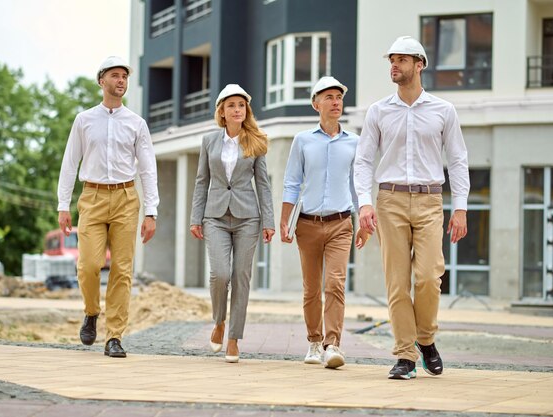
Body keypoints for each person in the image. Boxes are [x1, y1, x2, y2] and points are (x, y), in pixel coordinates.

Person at [354, 36, 470, 380]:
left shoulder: (443, 111)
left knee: (429, 277)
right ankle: (405, 355)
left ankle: (426, 338)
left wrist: (460, 207)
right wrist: (363, 203)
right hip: (389, 200)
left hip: (431, 200)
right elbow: (362, 161)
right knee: (396, 282)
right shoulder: (378, 111)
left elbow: (459, 160)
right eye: (392, 59)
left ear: (419, 65)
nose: (394, 65)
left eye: (402, 60)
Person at [57, 56, 159, 358]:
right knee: (88, 266)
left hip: (127, 199)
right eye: (115, 76)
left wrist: (151, 211)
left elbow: (148, 169)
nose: (121, 81)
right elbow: (69, 163)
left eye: (124, 76)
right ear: (102, 81)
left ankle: (114, 336)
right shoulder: (84, 120)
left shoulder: (136, 123)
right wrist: (63, 205)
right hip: (92, 197)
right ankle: (91, 311)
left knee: (122, 270)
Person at [189, 84, 275, 363]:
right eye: (231, 105)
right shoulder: (209, 141)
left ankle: (234, 339)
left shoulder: (256, 141)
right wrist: (195, 217)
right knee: (220, 275)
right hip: (214, 215)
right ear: (222, 112)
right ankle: (218, 321)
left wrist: (268, 220)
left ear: (246, 110)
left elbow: (263, 184)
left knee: (241, 277)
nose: (237, 109)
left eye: (241, 105)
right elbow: (202, 180)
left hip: (248, 217)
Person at [281, 76, 359, 369]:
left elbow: (358, 184)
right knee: (311, 288)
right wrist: (285, 220)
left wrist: (364, 216)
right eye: (329, 97)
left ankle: (332, 345)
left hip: (341, 224)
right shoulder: (302, 140)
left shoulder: (355, 142)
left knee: (335, 284)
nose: (335, 102)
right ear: (316, 104)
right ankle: (314, 342)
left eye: (339, 97)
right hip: (307, 224)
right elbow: (291, 182)